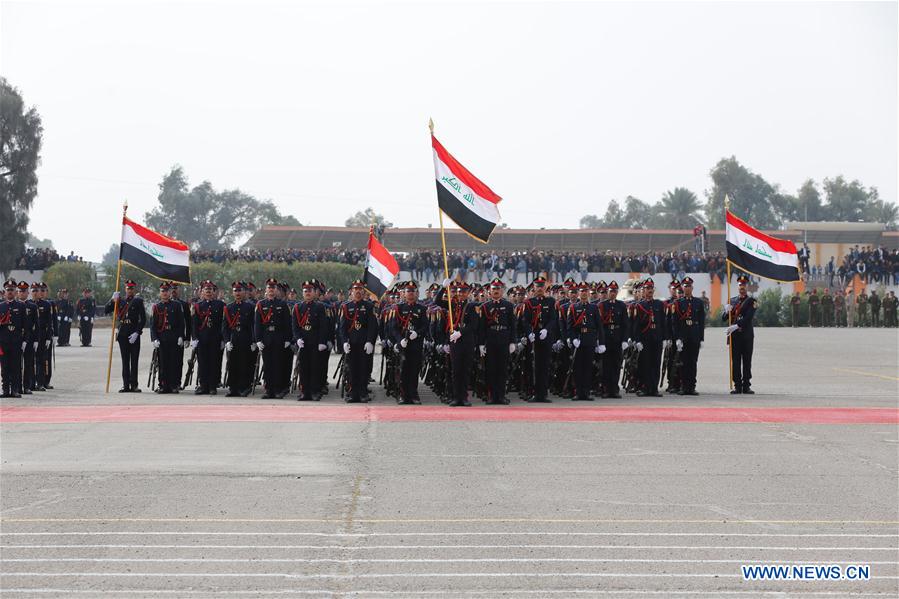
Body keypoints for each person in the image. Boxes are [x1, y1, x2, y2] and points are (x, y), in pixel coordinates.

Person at [338, 280, 377, 403]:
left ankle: (363, 392)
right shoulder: (345, 307)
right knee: (351, 369)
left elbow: (373, 326)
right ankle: (352, 393)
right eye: (356, 289)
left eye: (360, 289)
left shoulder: (369, 306)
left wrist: (370, 341)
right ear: (351, 291)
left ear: (363, 291)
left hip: (364, 344)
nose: (358, 291)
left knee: (363, 369)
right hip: (351, 344)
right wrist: (344, 342)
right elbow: (342, 327)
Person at [388, 281, 428, 404]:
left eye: (413, 291)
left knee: (414, 370)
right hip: (403, 345)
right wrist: (399, 341)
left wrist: (418, 333)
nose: (410, 293)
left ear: (416, 293)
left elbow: (425, 326)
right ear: (404, 294)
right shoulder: (398, 308)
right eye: (408, 291)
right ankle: (403, 395)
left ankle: (413, 395)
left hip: (416, 345)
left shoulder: (421, 309)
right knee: (403, 370)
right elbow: (393, 327)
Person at [479, 278, 517, 405]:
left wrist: (512, 342)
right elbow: (482, 327)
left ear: (502, 291)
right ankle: (491, 396)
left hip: (504, 339)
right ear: (489, 291)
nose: (496, 291)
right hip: (490, 339)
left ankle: (501, 396)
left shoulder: (508, 305)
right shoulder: (485, 307)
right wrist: (481, 344)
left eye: (498, 289)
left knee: (502, 369)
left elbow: (513, 325)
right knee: (491, 369)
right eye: (493, 289)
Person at [105, 280, 146, 393]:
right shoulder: (119, 300)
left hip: (134, 333)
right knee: (125, 360)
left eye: (132, 288)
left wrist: (137, 332)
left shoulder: (138, 301)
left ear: (134, 289)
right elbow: (106, 310)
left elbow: (143, 319)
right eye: (128, 288)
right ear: (125, 289)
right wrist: (112, 300)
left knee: (134, 360)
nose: (130, 290)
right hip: (123, 333)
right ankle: (125, 385)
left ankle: (134, 385)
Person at [254, 278, 292, 399]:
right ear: (266, 290)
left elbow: (287, 323)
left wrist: (287, 339)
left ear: (276, 291)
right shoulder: (260, 304)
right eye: (269, 288)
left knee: (278, 364)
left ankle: (277, 389)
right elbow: (257, 324)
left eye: (273, 288)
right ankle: (268, 389)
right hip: (266, 337)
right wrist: (258, 339)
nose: (271, 290)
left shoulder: (282, 304)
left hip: (278, 337)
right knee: (267, 365)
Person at [567, 281, 604, 401]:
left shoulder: (594, 307)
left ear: (588, 293)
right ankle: (578, 392)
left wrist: (601, 342)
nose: (583, 293)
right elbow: (570, 326)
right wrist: (573, 339)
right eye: (581, 291)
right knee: (577, 368)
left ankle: (586, 392)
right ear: (578, 293)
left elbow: (599, 326)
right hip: (578, 340)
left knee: (588, 367)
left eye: (585, 291)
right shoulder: (573, 307)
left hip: (590, 339)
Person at [291, 280, 327, 401]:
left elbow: (323, 326)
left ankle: (314, 391)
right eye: (305, 291)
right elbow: (295, 326)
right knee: (303, 368)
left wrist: (322, 341)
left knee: (315, 367)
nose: (307, 293)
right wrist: (297, 339)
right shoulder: (297, 307)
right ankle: (304, 392)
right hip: (303, 342)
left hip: (315, 342)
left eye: (310, 291)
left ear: (314, 293)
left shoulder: (319, 307)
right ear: (303, 293)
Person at [631, 279, 667, 397]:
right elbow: (636, 325)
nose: (650, 291)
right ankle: (645, 388)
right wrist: (637, 340)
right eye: (647, 289)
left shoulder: (659, 304)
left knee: (656, 364)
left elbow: (663, 323)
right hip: (645, 339)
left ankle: (654, 388)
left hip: (656, 339)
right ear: (644, 290)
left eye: (651, 289)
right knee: (645, 364)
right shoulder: (640, 306)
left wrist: (665, 338)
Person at [525, 277, 558, 402]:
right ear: (534, 287)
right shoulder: (529, 303)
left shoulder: (550, 302)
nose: (539, 288)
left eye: (541, 286)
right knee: (533, 366)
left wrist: (546, 330)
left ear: (545, 288)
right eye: (537, 286)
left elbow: (553, 319)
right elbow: (525, 320)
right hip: (534, 337)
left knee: (544, 366)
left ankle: (543, 394)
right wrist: (529, 333)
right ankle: (534, 393)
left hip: (545, 337)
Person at [723, 275, 757, 394]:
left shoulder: (752, 301)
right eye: (740, 285)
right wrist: (726, 311)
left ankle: (746, 385)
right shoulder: (732, 300)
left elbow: (748, 318)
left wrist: (737, 325)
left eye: (744, 285)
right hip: (735, 337)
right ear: (737, 287)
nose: (742, 287)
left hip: (746, 336)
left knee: (747, 361)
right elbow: (723, 318)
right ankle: (737, 385)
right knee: (736, 361)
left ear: (747, 286)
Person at [222, 281, 256, 397]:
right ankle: (233, 388)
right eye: (235, 290)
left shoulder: (250, 307)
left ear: (244, 292)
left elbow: (254, 325)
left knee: (245, 363)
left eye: (240, 290)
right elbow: (225, 327)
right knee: (232, 364)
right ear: (232, 293)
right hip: (234, 338)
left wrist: (254, 341)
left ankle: (244, 387)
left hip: (246, 338)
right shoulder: (229, 307)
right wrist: (226, 341)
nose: (237, 293)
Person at [150, 282, 185, 394]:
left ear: (170, 292)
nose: (165, 293)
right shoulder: (156, 307)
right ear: (160, 293)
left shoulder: (176, 305)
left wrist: (181, 336)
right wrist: (154, 338)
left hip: (174, 337)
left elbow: (181, 323)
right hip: (162, 338)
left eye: (167, 291)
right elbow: (153, 325)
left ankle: (174, 385)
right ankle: (163, 385)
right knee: (163, 363)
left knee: (174, 362)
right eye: (163, 291)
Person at [672, 277, 704, 395]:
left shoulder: (698, 302)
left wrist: (701, 338)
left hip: (694, 335)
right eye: (685, 286)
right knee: (684, 362)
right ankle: (684, 386)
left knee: (693, 362)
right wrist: (678, 338)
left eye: (689, 286)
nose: (687, 288)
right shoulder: (678, 303)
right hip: (684, 336)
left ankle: (692, 387)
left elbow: (701, 321)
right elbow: (675, 322)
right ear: (682, 288)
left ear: (692, 288)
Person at [598, 280, 629, 399]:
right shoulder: (602, 305)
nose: (612, 293)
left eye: (615, 291)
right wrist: (600, 341)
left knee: (616, 365)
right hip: (606, 337)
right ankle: (606, 389)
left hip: (617, 337)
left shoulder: (621, 305)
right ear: (607, 292)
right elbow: (599, 325)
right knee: (606, 365)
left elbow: (625, 324)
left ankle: (614, 389)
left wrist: (624, 340)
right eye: (611, 291)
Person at [0, 279, 26, 398]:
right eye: (8, 290)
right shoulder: (1, 306)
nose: (10, 292)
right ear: (4, 292)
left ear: (16, 292)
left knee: (15, 366)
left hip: (16, 341)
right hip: (3, 341)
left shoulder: (20, 306)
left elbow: (26, 325)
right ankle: (5, 390)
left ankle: (15, 389)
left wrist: (25, 340)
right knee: (4, 367)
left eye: (12, 290)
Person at [16, 281, 37, 394]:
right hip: (17, 338)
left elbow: (36, 324)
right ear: (17, 293)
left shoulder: (32, 306)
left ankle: (27, 386)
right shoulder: (14, 305)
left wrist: (36, 340)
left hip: (29, 338)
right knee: (17, 364)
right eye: (20, 291)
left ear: (27, 293)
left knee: (28, 364)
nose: (22, 293)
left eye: (24, 291)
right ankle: (18, 387)